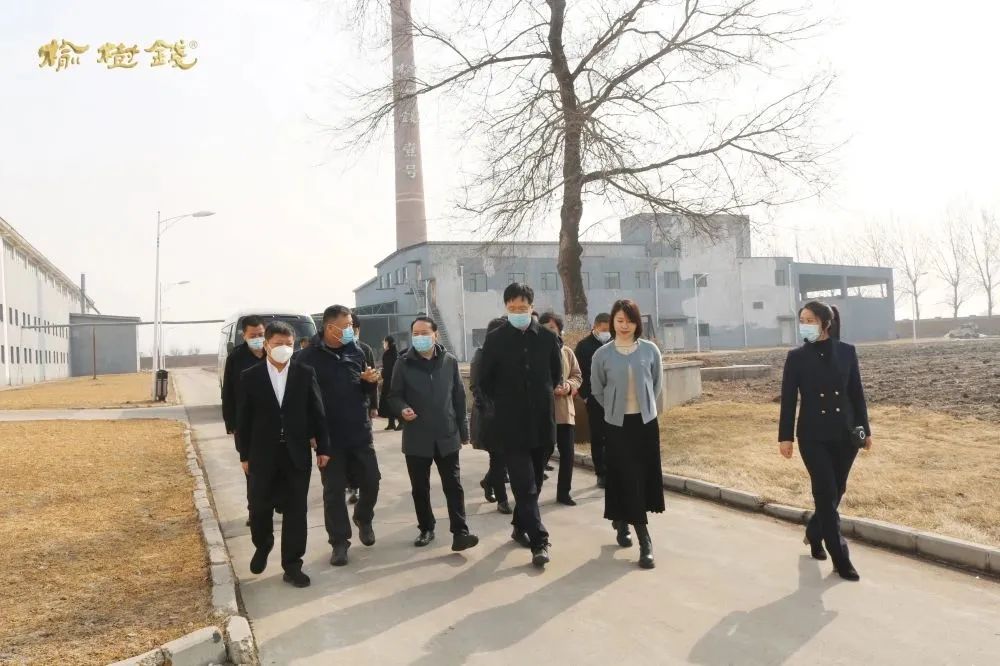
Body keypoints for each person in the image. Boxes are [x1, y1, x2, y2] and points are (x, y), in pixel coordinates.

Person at [779, 301, 872, 582]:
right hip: (812, 436)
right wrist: (785, 437)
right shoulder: (796, 357)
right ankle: (841, 558)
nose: (804, 325)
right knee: (825, 491)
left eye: (810, 320)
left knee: (836, 491)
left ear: (826, 323)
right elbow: (788, 399)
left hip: (845, 434)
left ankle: (814, 531)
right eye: (802, 320)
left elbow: (856, 393)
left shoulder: (847, 352)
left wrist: (865, 430)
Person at [237, 321, 330, 588]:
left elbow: (317, 411)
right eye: (278, 344)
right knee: (259, 507)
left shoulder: (304, 372)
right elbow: (243, 419)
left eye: (289, 344)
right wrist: (244, 455)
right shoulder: (250, 376)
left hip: (296, 453)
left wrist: (324, 447)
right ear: (266, 345)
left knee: (296, 511)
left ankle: (292, 565)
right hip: (262, 454)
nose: (284, 348)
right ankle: (263, 544)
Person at [479, 283, 565, 568]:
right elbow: (484, 381)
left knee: (536, 481)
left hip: (542, 423)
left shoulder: (548, 339)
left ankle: (519, 526)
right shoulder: (495, 339)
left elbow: (555, 374)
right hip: (511, 425)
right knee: (524, 485)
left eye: (523, 307)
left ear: (532, 307)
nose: (518, 312)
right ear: (506, 308)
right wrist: (498, 407)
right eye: (512, 308)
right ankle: (540, 541)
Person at [296, 305, 382, 567]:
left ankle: (363, 517)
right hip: (328, 437)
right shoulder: (306, 358)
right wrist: (310, 433)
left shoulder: (357, 351)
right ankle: (339, 542)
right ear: (329, 327)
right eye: (345, 327)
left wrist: (369, 383)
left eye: (351, 326)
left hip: (358, 430)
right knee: (333, 491)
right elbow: (301, 401)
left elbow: (364, 388)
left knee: (371, 481)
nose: (350, 331)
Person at [387, 316, 480, 551]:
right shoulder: (403, 363)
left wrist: (463, 431)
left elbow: (459, 397)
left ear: (435, 335)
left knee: (453, 486)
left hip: (446, 434)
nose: (420, 337)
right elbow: (394, 396)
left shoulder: (449, 361)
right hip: (417, 437)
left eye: (424, 333)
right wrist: (402, 409)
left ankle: (460, 532)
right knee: (420, 488)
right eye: (415, 334)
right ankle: (426, 528)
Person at [591, 299, 664, 570]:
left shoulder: (649, 350)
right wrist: (613, 409)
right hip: (617, 425)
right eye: (620, 320)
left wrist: (646, 406)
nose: (624, 326)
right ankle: (645, 540)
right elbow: (597, 389)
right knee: (624, 476)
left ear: (637, 323)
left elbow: (656, 384)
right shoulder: (602, 355)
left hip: (645, 425)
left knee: (640, 478)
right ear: (612, 322)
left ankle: (622, 521)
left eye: (630, 321)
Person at [221, 315, 267, 526]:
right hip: (245, 423)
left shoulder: (274, 353)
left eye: (261, 334)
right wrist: (231, 423)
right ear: (244, 335)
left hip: (273, 421)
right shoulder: (236, 358)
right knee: (251, 469)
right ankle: (254, 510)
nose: (258, 339)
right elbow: (228, 392)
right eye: (253, 335)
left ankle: (276, 501)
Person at [538, 313, 583, 506]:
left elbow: (577, 376)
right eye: (544, 328)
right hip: (543, 413)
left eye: (552, 328)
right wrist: (549, 389)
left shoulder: (567, 352)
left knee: (567, 455)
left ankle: (564, 493)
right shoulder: (534, 353)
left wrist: (569, 386)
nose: (549, 332)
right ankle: (533, 492)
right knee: (542, 454)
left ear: (559, 330)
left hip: (564, 412)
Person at [469, 317, 512, 515]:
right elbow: (475, 387)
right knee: (498, 457)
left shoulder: (510, 353)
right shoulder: (481, 355)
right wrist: (490, 410)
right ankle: (502, 500)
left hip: (511, 413)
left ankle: (488, 482)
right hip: (491, 415)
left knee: (505, 458)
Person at [575, 312, 612, 488]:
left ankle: (614, 470)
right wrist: (586, 396)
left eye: (608, 330)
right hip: (594, 398)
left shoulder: (616, 344)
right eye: (603, 329)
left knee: (614, 436)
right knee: (598, 435)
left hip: (615, 397)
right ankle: (601, 472)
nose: (606, 333)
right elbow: (579, 373)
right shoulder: (584, 346)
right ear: (595, 327)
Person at [345, 316, 379, 504]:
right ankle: (350, 483)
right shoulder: (333, 351)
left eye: (354, 328)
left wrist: (374, 405)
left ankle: (357, 485)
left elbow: (373, 378)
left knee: (362, 450)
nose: (351, 332)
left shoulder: (365, 350)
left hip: (362, 408)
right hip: (342, 412)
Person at [378, 335, 401, 431]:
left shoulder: (389, 354)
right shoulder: (394, 353)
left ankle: (401, 422)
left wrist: (382, 373)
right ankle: (391, 423)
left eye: (384, 342)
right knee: (390, 403)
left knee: (393, 402)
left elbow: (388, 369)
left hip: (391, 381)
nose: (383, 344)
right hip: (392, 381)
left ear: (388, 343)